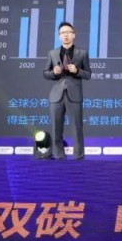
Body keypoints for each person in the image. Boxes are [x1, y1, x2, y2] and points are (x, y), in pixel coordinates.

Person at [43, 22, 92, 159]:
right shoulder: (52, 53)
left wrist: (77, 71)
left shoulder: (82, 53)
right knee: (56, 128)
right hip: (56, 96)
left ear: (73, 35)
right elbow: (45, 73)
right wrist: (53, 72)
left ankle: (78, 157)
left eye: (68, 32)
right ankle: (58, 156)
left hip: (74, 95)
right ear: (59, 36)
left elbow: (88, 74)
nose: (66, 35)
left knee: (77, 128)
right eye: (62, 32)